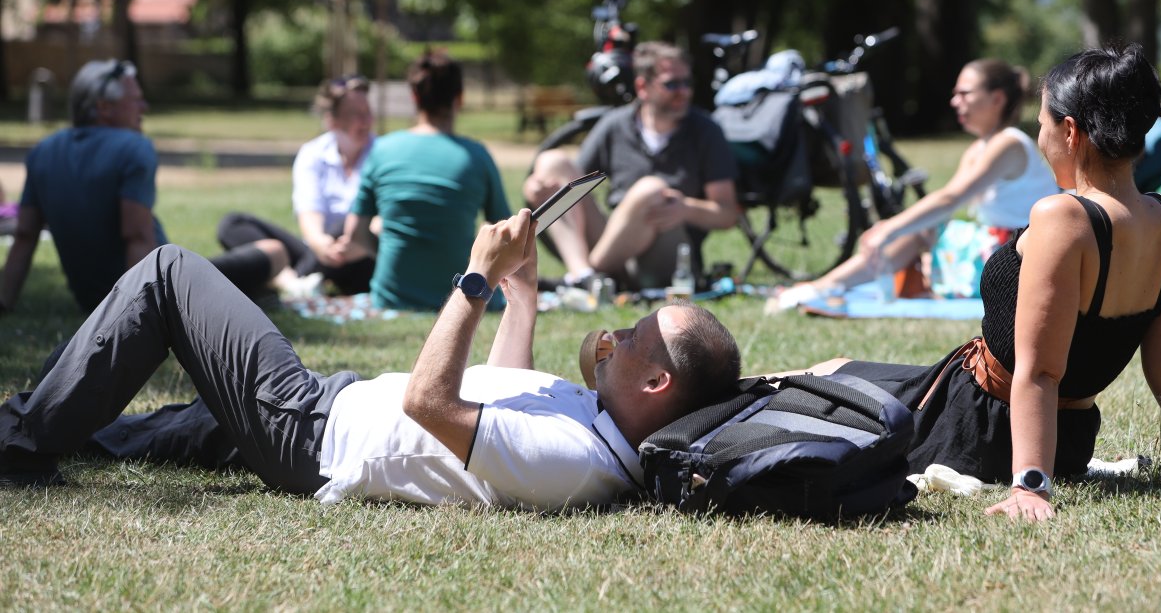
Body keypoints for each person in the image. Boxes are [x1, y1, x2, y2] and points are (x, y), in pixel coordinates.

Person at [798, 43, 1161, 521]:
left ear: (1069, 132)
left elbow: (1042, 371)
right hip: (1067, 438)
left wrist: (1031, 486)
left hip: (975, 426)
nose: (1039, 136)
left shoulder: (1063, 217)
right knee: (836, 370)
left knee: (818, 381)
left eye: (1042, 124)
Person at [0, 209, 743, 512]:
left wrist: (477, 281)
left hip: (309, 428)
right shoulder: (598, 426)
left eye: (639, 331)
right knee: (169, 429)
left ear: (657, 380)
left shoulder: (576, 460)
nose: (622, 328)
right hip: (329, 405)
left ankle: (23, 443)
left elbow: (432, 404)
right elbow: (500, 394)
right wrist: (522, 302)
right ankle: (35, 423)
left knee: (168, 273)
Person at [0, 60, 288, 315]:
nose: (144, 107)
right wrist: (139, 316)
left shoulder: (44, 151)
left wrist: (4, 301)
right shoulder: (133, 148)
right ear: (104, 107)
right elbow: (136, 236)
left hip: (90, 300)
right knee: (275, 251)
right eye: (135, 100)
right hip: (158, 291)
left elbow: (25, 235)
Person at [774, 58, 1058, 308]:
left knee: (918, 234)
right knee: (922, 232)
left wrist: (889, 229)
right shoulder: (982, 148)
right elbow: (946, 203)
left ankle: (824, 286)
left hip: (1019, 259)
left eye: (964, 93)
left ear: (997, 99)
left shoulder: (1008, 143)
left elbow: (949, 199)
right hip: (1004, 249)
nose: (955, 101)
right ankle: (827, 285)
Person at [523, 41, 739, 290]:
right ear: (642, 87)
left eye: (687, 83)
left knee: (651, 190)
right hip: (613, 244)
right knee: (552, 163)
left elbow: (727, 213)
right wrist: (538, 189)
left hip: (667, 256)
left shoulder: (706, 131)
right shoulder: (615, 125)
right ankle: (582, 274)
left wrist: (686, 208)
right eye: (672, 84)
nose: (684, 92)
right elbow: (574, 191)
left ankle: (586, 278)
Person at [344, 50, 510, 311]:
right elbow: (506, 233)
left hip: (392, 298)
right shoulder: (476, 156)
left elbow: (354, 234)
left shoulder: (382, 150)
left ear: (414, 96)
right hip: (467, 298)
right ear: (460, 99)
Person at [214, 74, 377, 298]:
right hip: (317, 250)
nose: (366, 121)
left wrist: (357, 243)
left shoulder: (382, 154)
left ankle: (294, 278)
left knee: (348, 224)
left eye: (367, 112)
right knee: (232, 224)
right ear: (332, 120)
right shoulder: (313, 153)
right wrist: (320, 244)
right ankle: (292, 282)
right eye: (356, 115)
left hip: (363, 255)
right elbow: (310, 216)